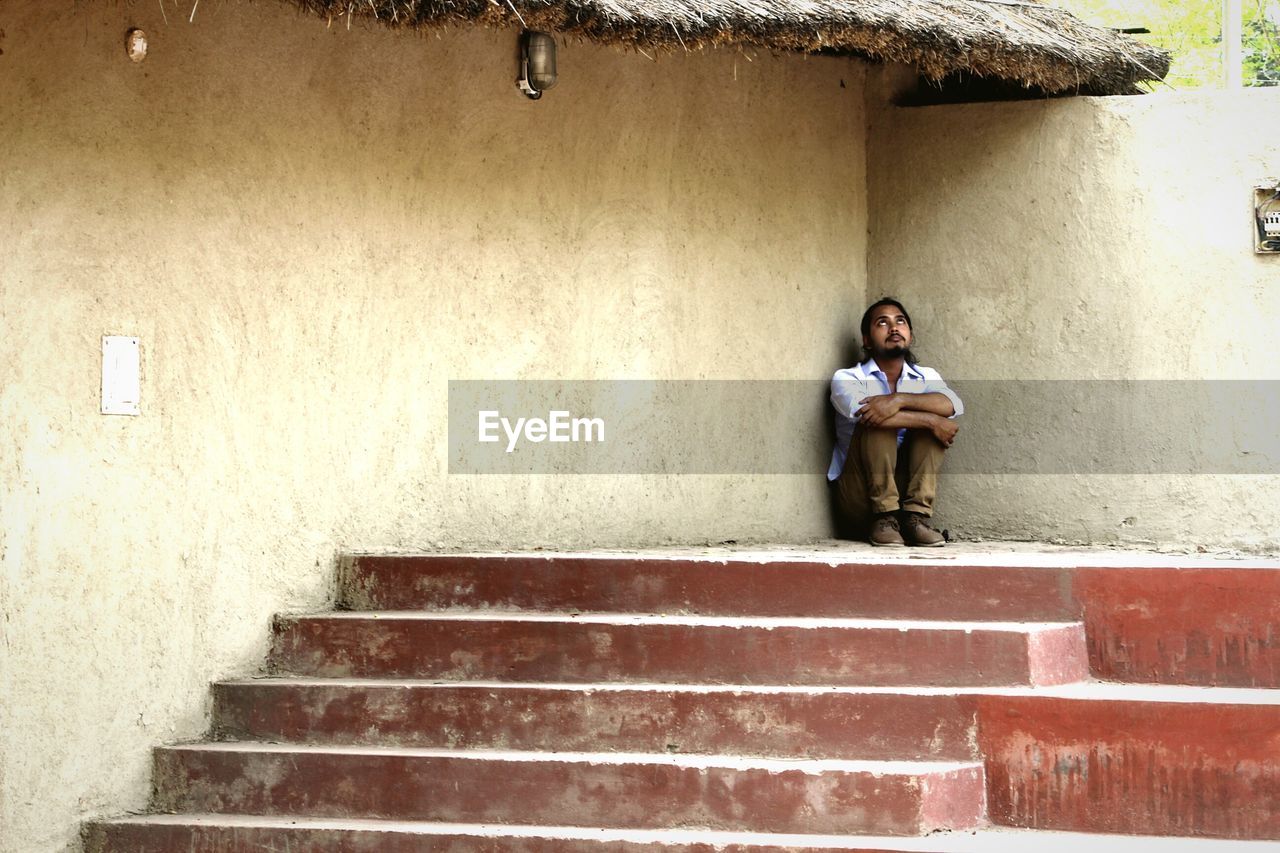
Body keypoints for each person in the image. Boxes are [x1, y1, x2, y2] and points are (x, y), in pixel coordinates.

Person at [828, 297, 963, 547]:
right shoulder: (847, 377)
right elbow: (868, 414)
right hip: (860, 497)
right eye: (882, 322)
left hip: (904, 492)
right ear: (867, 340)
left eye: (900, 321)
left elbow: (952, 404)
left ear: (909, 335)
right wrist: (930, 420)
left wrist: (898, 399)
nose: (893, 327)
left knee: (925, 428)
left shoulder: (926, 376)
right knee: (877, 421)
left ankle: (916, 518)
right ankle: (883, 516)